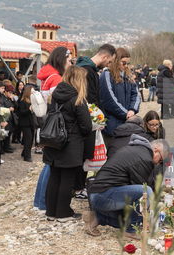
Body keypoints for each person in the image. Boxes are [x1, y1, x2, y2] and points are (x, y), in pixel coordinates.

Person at [87, 136, 170, 239]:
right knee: (146, 191)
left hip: (97, 195)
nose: (158, 164)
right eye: (160, 160)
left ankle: (98, 218)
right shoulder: (145, 158)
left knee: (130, 219)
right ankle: (130, 232)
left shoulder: (135, 149)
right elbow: (143, 195)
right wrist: (146, 219)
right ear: (156, 151)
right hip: (104, 195)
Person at [44, 65, 92, 223]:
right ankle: (63, 212)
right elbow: (86, 126)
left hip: (53, 141)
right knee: (67, 179)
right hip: (71, 144)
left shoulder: (53, 96)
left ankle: (51, 212)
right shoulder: (77, 99)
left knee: (54, 176)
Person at [75, 43, 116, 200]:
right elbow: (91, 98)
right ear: (104, 56)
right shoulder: (88, 71)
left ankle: (79, 186)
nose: (109, 65)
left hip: (86, 118)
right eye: (110, 61)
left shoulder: (84, 67)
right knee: (84, 154)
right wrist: (100, 117)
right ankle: (79, 188)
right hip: (87, 120)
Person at [33, 46, 72, 213]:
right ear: (62, 59)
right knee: (51, 167)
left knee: (47, 165)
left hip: (46, 122)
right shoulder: (56, 79)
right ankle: (43, 204)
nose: (71, 64)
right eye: (70, 61)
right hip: (55, 125)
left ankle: (38, 202)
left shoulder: (46, 76)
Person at [99, 47, 140, 147]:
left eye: (128, 63)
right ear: (116, 60)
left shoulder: (128, 76)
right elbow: (109, 99)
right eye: (124, 62)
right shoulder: (107, 75)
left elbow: (136, 95)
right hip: (111, 127)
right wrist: (126, 113)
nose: (126, 66)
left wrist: (132, 109)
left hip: (126, 125)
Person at [18, 85, 34, 162]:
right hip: (25, 123)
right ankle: (27, 156)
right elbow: (21, 112)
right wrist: (29, 109)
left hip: (31, 122)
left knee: (31, 139)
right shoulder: (23, 101)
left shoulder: (32, 100)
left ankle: (24, 153)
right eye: (32, 91)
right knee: (28, 139)